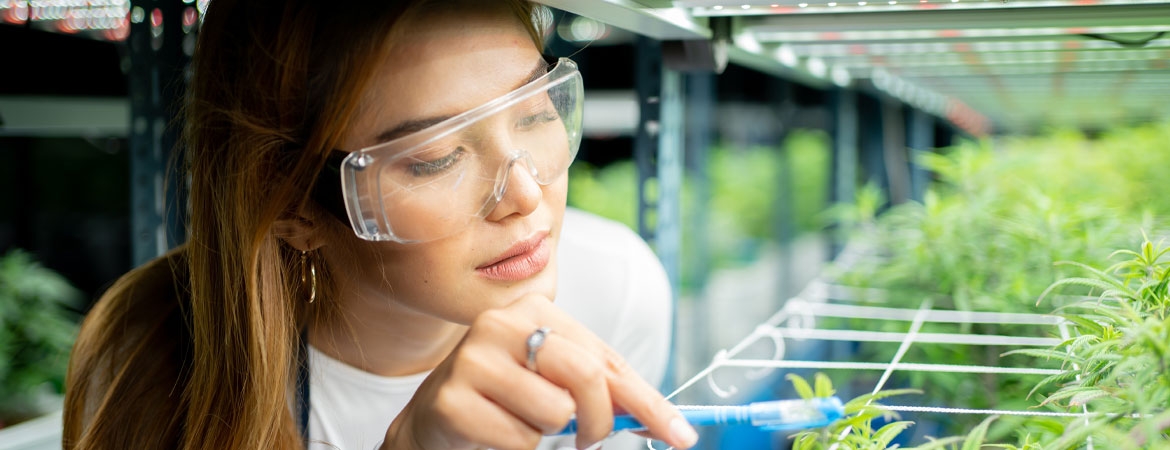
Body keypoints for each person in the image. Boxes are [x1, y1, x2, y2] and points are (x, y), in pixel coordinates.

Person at [61, 1, 698, 449]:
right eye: (434, 159)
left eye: (535, 111)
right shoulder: (145, 357)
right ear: (292, 209)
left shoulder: (614, 287)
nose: (527, 196)